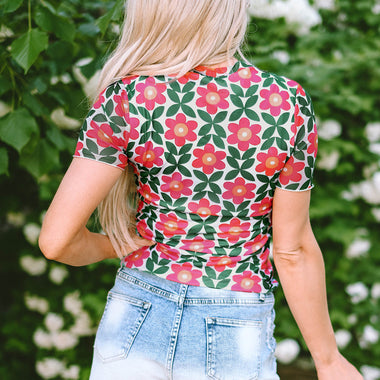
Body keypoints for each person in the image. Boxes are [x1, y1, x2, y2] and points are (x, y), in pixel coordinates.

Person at [39, 1, 363, 379]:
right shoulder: (284, 104)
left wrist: (117, 244)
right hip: (234, 319)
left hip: (136, 312)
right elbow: (292, 252)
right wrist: (328, 360)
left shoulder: (128, 99)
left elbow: (56, 242)